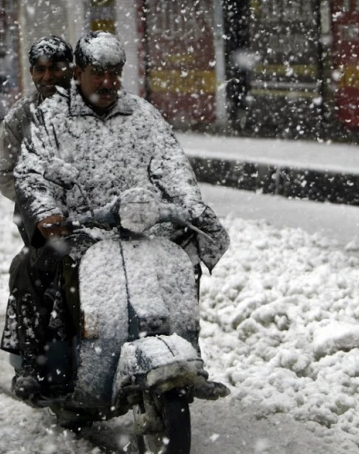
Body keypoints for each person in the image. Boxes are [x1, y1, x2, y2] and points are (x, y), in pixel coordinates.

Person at [14, 31, 231, 399]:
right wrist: (49, 211)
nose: (107, 82)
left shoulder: (144, 115)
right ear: (78, 72)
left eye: (115, 72)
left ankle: (186, 349)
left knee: (186, 257)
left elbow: (172, 166)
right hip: (83, 231)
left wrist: (190, 205)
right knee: (47, 270)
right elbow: (31, 173)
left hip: (148, 229)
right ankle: (48, 367)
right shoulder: (51, 117)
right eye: (98, 72)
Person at [0, 36, 74, 399]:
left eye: (56, 67)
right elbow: (6, 176)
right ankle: (32, 363)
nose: (48, 76)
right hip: (43, 225)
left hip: (97, 217)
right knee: (29, 269)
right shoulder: (19, 118)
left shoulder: (86, 110)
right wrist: (43, 203)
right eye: (40, 69)